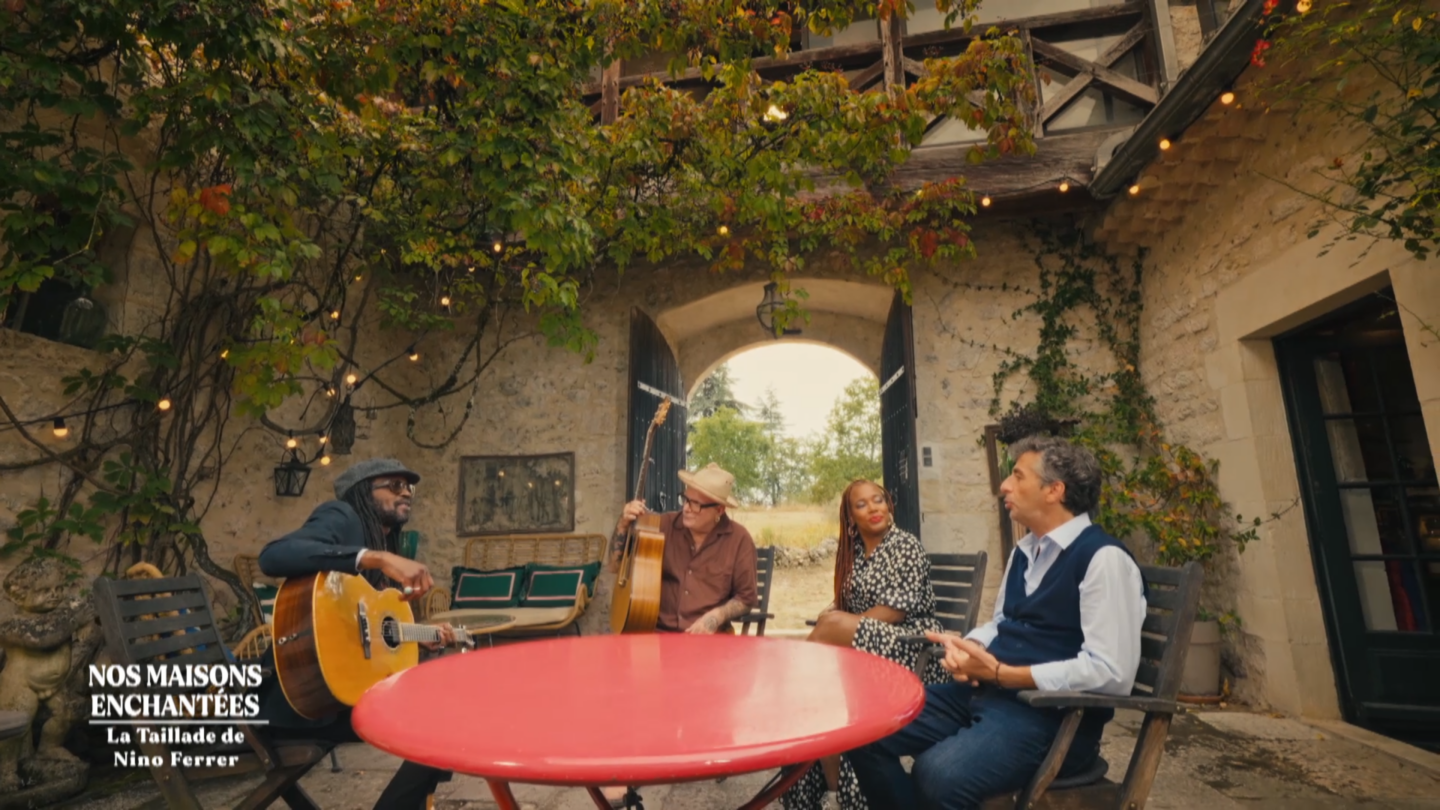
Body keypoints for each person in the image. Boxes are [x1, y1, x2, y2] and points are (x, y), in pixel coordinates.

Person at [848, 436, 1147, 810]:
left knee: (936, 774)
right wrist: (969, 647)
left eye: (1017, 476)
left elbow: (1112, 672)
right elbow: (1003, 622)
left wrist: (1005, 673)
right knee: (862, 726)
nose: (1004, 486)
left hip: (1053, 722)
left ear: (1054, 490)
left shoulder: (1103, 560)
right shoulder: (1026, 552)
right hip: (988, 697)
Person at [256, 457, 459, 810]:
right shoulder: (342, 516)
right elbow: (273, 557)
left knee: (447, 712)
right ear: (363, 493)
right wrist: (376, 558)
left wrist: (415, 634)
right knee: (442, 720)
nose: (406, 493)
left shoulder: (381, 545)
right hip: (297, 702)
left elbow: (364, 633)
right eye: (394, 486)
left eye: (409, 487)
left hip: (337, 698)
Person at [782, 479, 950, 810]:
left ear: (889, 506)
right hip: (870, 645)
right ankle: (834, 795)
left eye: (879, 500)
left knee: (824, 647)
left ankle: (788, 684)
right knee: (822, 696)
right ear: (850, 517)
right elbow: (845, 605)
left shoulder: (905, 545)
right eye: (862, 504)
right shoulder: (855, 553)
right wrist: (833, 616)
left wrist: (838, 626)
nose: (873, 508)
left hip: (912, 645)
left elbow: (894, 610)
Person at [608, 462, 760, 634]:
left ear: (719, 509)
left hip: (709, 641)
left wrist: (715, 617)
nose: (686, 508)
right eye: (685, 499)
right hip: (658, 634)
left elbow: (746, 598)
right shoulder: (662, 526)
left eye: (696, 504)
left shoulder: (739, 540)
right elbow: (614, 566)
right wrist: (623, 523)